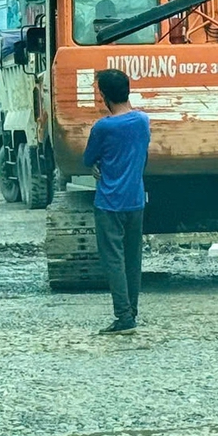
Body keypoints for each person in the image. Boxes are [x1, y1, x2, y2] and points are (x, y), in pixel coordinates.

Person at [82, 68, 150, 333]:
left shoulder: (103, 127)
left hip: (109, 202)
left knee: (113, 261)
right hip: (136, 200)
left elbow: (88, 159)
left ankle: (123, 318)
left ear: (103, 96)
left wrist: (97, 166)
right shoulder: (143, 121)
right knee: (133, 260)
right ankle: (131, 311)